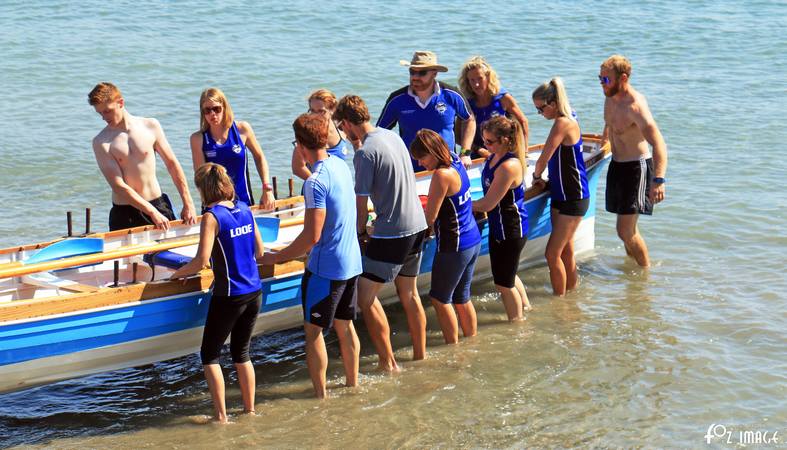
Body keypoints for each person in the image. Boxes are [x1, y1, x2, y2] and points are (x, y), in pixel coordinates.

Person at [261, 113, 362, 398]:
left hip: (326, 269)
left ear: (300, 145)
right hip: (352, 262)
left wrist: (275, 258)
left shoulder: (315, 182)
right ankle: (352, 385)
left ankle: (321, 396)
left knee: (313, 332)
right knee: (346, 326)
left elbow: (311, 237)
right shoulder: (341, 165)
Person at [334, 94, 429, 371]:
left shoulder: (365, 153)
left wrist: (359, 232)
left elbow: (360, 204)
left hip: (393, 233)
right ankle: (420, 355)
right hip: (417, 225)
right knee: (409, 294)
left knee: (366, 297)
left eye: (342, 127)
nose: (342, 132)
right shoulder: (391, 136)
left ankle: (388, 363)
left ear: (349, 123)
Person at [170, 163, 264, 424]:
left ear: (204, 190)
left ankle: (221, 417)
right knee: (241, 353)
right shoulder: (245, 209)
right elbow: (259, 251)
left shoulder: (211, 217)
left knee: (210, 354)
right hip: (254, 291)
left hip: (230, 295)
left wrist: (177, 275)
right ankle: (250, 410)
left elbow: (200, 260)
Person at [88, 82, 196, 231]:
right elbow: (118, 186)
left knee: (167, 254)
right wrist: (152, 213)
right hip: (125, 213)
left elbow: (172, 164)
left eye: (107, 111)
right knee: (129, 256)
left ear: (120, 102)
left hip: (158, 204)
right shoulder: (101, 142)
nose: (103, 118)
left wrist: (188, 202)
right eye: (100, 113)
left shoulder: (151, 126)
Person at [409, 129, 481, 344]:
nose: (421, 164)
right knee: (462, 297)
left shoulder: (442, 175)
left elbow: (429, 218)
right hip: (472, 238)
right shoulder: (455, 159)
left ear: (432, 152)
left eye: (422, 158)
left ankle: (453, 347)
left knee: (440, 299)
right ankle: (471, 340)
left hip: (454, 244)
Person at [600, 55, 668, 267]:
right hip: (617, 167)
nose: (602, 84)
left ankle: (644, 275)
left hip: (636, 169)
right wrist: (601, 146)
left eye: (607, 79)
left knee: (624, 230)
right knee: (626, 232)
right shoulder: (610, 97)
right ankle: (633, 272)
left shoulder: (635, 106)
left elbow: (659, 143)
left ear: (623, 78)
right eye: (600, 79)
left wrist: (658, 180)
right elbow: (610, 125)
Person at [531, 78, 589, 296]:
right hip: (560, 192)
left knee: (551, 254)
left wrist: (536, 177)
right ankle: (572, 295)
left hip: (573, 196)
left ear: (553, 103)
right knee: (566, 250)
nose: (540, 113)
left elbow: (542, 159)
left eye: (540, 108)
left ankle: (560, 302)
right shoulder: (570, 115)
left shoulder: (563, 123)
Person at [471, 116, 532, 320]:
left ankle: (517, 322)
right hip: (499, 226)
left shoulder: (509, 166)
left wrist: (463, 204)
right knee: (509, 275)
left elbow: (488, 204)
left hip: (510, 229)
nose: (486, 145)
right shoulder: (493, 157)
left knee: (503, 284)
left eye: (490, 142)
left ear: (505, 139)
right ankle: (526, 307)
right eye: (484, 141)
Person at [377, 51, 476, 171]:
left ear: (434, 73)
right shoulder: (397, 99)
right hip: (411, 171)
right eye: (412, 72)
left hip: (448, 168)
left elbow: (469, 120)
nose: (415, 77)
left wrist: (465, 153)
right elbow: (379, 133)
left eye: (421, 73)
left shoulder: (451, 95)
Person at [190, 88, 275, 209]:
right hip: (214, 206)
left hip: (243, 201)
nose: (212, 114)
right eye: (207, 110)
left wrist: (267, 189)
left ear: (224, 107)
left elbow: (259, 157)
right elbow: (200, 178)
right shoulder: (198, 139)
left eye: (216, 109)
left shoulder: (242, 129)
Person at [458, 56, 530, 159]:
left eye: (480, 78)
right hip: (476, 154)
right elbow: (458, 135)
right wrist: (479, 150)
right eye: (472, 80)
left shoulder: (502, 98)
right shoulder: (466, 102)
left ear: (488, 77)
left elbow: (523, 122)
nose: (476, 84)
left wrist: (524, 150)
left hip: (502, 152)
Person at [292, 89, 353, 180]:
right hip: (316, 189)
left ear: (332, 110)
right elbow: (298, 168)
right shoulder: (307, 133)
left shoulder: (341, 128)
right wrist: (318, 182)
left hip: (339, 186)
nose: (315, 115)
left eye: (321, 111)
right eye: (312, 111)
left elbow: (357, 143)